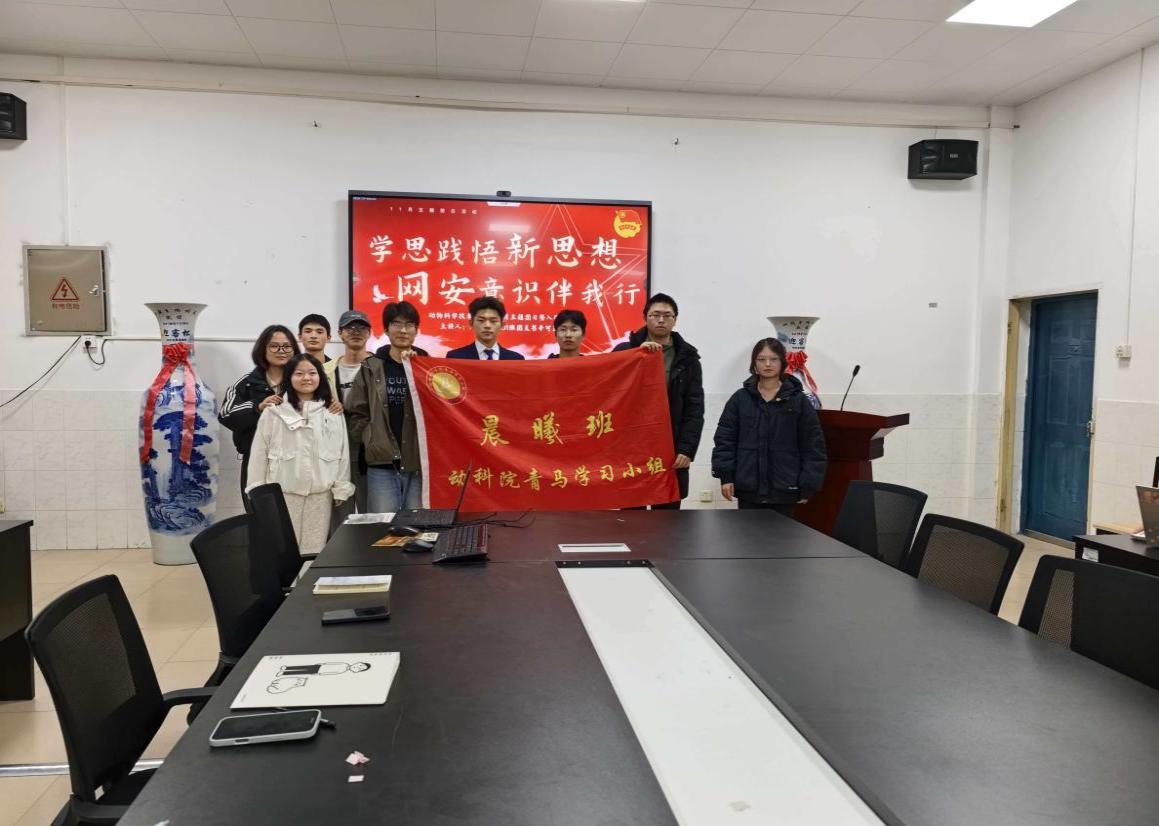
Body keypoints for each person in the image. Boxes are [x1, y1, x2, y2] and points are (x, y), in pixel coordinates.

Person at [246, 353, 354, 553]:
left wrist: (341, 487)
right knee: (282, 549)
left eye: (312, 373)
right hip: (284, 492)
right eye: (299, 373)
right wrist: (257, 491)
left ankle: (307, 575)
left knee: (314, 549)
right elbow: (259, 453)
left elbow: (342, 452)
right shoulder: (274, 411)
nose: (306, 378)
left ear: (320, 377)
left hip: (320, 493)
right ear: (289, 377)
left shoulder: (332, 412)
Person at [711, 338, 826, 517]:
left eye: (773, 359)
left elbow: (813, 445)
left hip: (786, 489)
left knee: (783, 536)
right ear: (754, 363)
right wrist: (726, 476)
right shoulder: (740, 399)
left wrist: (808, 484)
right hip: (749, 489)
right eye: (761, 359)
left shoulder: (798, 400)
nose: (767, 364)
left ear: (782, 362)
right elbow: (725, 440)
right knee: (747, 535)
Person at [614, 293, 704, 508]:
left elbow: (694, 408)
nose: (661, 320)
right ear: (645, 318)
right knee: (631, 516)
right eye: (655, 315)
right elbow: (608, 391)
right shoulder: (625, 351)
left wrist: (687, 449)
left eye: (667, 315)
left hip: (670, 446)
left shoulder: (688, 358)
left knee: (667, 516)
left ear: (675, 320)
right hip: (632, 448)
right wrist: (636, 356)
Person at [346, 301, 429, 512]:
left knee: (417, 524)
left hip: (418, 463)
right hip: (381, 463)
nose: (403, 330)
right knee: (382, 526)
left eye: (409, 325)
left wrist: (417, 366)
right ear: (386, 329)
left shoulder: (429, 366)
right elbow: (357, 411)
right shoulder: (371, 366)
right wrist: (371, 438)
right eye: (396, 324)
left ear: (416, 330)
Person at [219, 325, 300, 500]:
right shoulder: (247, 383)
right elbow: (225, 414)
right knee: (260, 511)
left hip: (296, 460)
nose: (281, 351)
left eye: (287, 346)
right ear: (263, 349)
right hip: (256, 459)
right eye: (274, 346)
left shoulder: (302, 381)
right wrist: (258, 407)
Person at [324, 309, 374, 517]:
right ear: (340, 333)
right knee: (338, 516)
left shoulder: (379, 367)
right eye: (350, 327)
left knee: (371, 516)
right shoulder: (324, 370)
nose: (356, 331)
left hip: (370, 454)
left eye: (361, 327)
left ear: (369, 333)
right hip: (335, 453)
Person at [445, 296, 525, 360]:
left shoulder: (516, 359)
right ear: (471, 323)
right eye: (481, 320)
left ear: (502, 325)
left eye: (493, 321)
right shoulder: (455, 357)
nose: (487, 325)